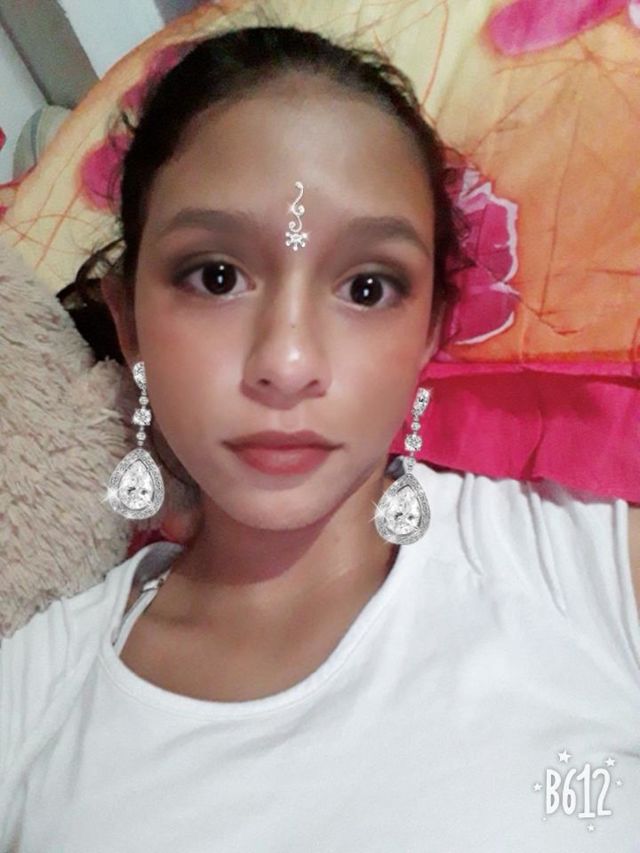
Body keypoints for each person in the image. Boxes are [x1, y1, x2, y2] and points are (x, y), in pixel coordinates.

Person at [1, 20, 639, 853]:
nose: (288, 361)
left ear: (430, 333)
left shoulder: (587, 568)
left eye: (368, 287)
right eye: (216, 276)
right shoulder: (35, 697)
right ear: (129, 325)